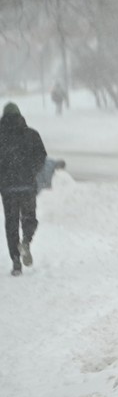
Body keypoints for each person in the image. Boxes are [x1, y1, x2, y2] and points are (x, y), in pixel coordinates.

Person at [0, 102, 47, 276]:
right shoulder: (31, 135)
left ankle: (16, 261)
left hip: (7, 189)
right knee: (29, 218)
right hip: (27, 186)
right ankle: (26, 240)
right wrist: (31, 171)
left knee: (11, 224)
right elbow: (42, 157)